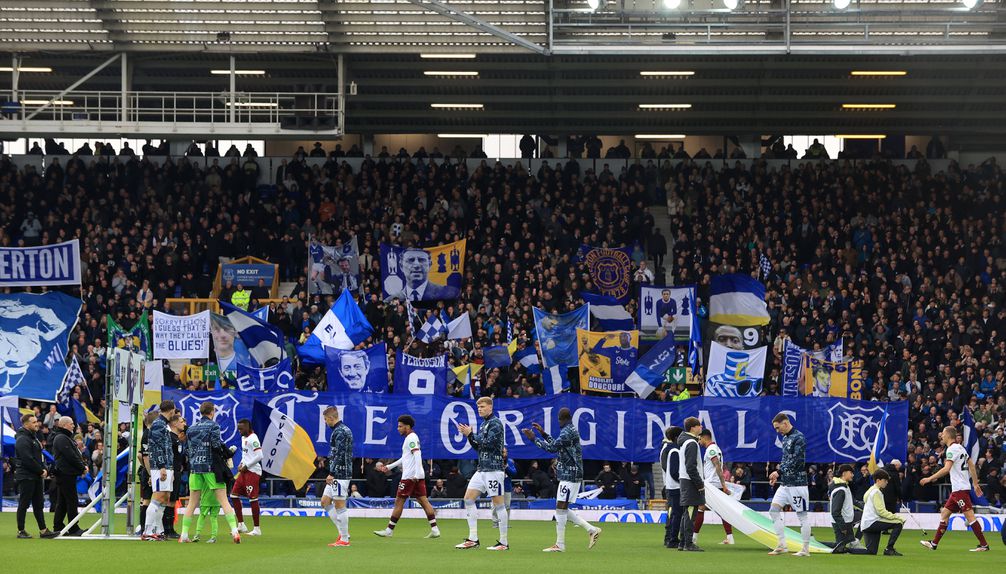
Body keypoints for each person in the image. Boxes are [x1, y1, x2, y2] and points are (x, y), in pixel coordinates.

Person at [522, 407, 601, 552]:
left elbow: (552, 448)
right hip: (571, 473)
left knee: (560, 507)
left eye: (558, 420)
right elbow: (558, 445)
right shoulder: (569, 430)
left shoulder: (567, 432)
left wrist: (533, 438)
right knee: (562, 508)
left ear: (561, 419)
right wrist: (543, 433)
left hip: (570, 474)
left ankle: (560, 544)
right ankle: (591, 530)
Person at [179, 401, 241, 544]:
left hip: (195, 469)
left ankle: (184, 534)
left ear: (200, 412)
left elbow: (187, 450)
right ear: (212, 412)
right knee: (224, 501)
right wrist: (226, 456)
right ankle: (235, 531)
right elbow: (216, 445)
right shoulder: (214, 426)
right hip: (211, 468)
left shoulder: (191, 428)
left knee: (192, 504)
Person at [920, 426, 989, 552]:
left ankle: (984, 545)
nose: (941, 436)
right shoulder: (961, 448)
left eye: (943, 434)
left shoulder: (951, 449)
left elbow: (946, 469)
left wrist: (929, 478)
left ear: (948, 435)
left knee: (970, 516)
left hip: (960, 490)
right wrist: (975, 483)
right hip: (959, 489)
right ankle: (934, 544)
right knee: (945, 513)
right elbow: (971, 465)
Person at [373, 415, 441, 539]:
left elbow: (417, 454)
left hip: (410, 476)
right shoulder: (410, 438)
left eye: (400, 426)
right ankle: (435, 529)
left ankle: (389, 530)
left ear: (407, 426)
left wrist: (416, 474)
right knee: (423, 501)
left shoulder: (411, 438)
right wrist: (389, 467)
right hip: (415, 476)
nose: (398, 429)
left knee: (399, 501)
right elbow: (405, 458)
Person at [455, 396, 508, 550]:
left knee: (499, 505)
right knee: (468, 499)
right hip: (482, 469)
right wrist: (469, 436)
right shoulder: (484, 424)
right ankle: (473, 539)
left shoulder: (496, 424)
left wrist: (470, 434)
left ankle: (504, 542)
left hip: (493, 469)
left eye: (483, 407)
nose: (480, 409)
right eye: (478, 407)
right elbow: (479, 447)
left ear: (490, 407)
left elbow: (489, 444)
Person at [768, 412, 811, 556]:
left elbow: (797, 461)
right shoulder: (786, 438)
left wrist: (778, 472)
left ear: (785, 423)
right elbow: (785, 460)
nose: (777, 431)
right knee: (773, 511)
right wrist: (778, 475)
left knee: (802, 516)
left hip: (798, 484)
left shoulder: (799, 437)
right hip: (785, 484)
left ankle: (805, 549)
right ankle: (782, 544)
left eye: (777, 427)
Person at [14, 414, 55, 538]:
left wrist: (44, 469)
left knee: (39, 504)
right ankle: (21, 530)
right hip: (26, 476)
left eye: (36, 421)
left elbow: (38, 457)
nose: (36, 424)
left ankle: (43, 530)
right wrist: (40, 470)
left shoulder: (33, 438)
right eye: (33, 422)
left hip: (35, 475)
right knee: (24, 503)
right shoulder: (22, 439)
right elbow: (27, 458)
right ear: (26, 424)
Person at [143, 401, 177, 541]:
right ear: (171, 410)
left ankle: (159, 530)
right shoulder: (158, 424)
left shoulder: (163, 425)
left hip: (166, 466)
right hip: (160, 466)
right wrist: (162, 466)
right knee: (158, 497)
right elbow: (156, 447)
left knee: (165, 497)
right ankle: (148, 531)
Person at [694, 429, 734, 545]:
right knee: (722, 511)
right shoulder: (716, 448)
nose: (699, 441)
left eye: (699, 438)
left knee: (700, 508)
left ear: (704, 437)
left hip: (712, 484)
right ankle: (730, 537)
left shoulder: (711, 449)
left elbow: (717, 466)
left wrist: (724, 485)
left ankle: (694, 538)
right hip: (715, 484)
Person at [321, 406, 353, 547]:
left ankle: (344, 539)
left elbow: (339, 454)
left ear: (331, 418)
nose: (325, 422)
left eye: (326, 419)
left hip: (340, 473)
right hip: (338, 472)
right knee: (325, 501)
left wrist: (332, 473)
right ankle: (342, 532)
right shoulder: (342, 430)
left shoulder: (340, 432)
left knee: (340, 505)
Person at [51, 416, 86, 536]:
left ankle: (58, 526)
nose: (73, 426)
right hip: (65, 474)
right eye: (71, 424)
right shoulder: (62, 438)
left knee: (63, 502)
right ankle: (73, 528)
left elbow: (74, 455)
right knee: (71, 501)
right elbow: (71, 456)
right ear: (65, 425)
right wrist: (82, 467)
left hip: (65, 474)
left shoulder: (64, 437)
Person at [860, 469, 905, 555]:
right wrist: (898, 517)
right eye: (885, 480)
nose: (887, 483)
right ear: (878, 480)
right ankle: (889, 549)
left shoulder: (871, 490)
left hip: (866, 524)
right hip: (873, 522)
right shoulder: (876, 492)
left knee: (871, 552)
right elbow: (881, 512)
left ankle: (846, 549)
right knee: (899, 523)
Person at [231, 419, 263, 536]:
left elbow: (260, 455)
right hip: (244, 470)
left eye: (241, 429)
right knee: (233, 495)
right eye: (238, 428)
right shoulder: (243, 438)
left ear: (248, 428)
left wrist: (247, 465)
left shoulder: (253, 438)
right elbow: (246, 454)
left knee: (253, 498)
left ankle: (257, 529)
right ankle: (241, 525)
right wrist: (241, 463)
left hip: (253, 471)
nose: (239, 431)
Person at [676, 418, 704, 552]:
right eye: (699, 425)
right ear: (693, 428)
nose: (701, 427)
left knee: (686, 512)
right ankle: (688, 543)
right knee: (690, 513)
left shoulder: (685, 442)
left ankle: (682, 542)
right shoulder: (692, 443)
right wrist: (699, 484)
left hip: (685, 479)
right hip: (690, 481)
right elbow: (691, 467)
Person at [386, 248, 453, 302]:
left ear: (430, 265)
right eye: (411, 260)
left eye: (421, 260)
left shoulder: (447, 293)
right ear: (401, 266)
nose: (416, 265)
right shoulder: (391, 299)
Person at [828, 464, 868, 554]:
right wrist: (842, 527)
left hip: (846, 520)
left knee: (866, 516)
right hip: (842, 522)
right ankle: (814, 543)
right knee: (840, 546)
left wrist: (866, 508)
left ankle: (854, 541)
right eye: (851, 473)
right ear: (844, 473)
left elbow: (853, 500)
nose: (853, 475)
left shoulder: (843, 485)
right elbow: (835, 512)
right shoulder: (841, 489)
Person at [660, 426, 683, 549]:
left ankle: (671, 537)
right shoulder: (670, 450)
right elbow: (668, 468)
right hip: (672, 485)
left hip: (670, 484)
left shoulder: (669, 448)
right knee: (674, 512)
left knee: (674, 512)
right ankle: (669, 538)